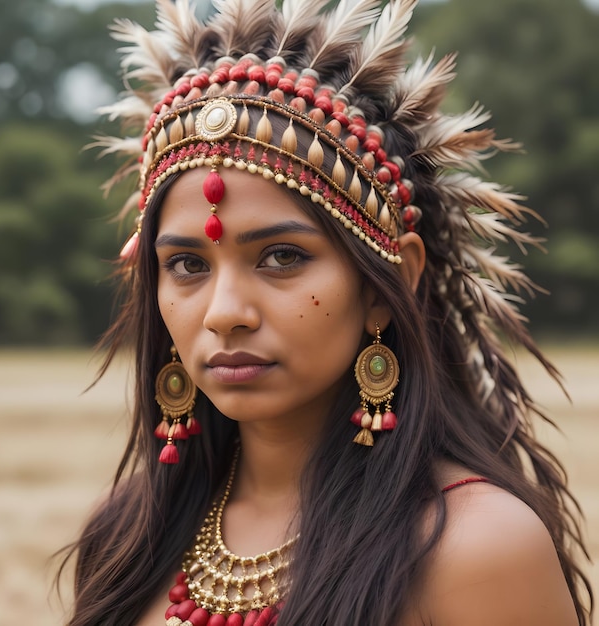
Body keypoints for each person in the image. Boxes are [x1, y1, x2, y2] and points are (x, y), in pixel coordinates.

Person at [58, 0, 593, 624]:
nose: (224, 313)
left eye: (281, 256)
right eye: (187, 265)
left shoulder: (474, 549)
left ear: (389, 279)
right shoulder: (125, 538)